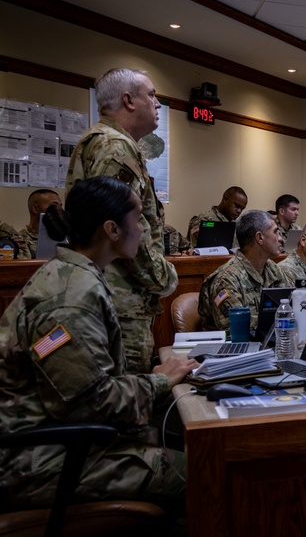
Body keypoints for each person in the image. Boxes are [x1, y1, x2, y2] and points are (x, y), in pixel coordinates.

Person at [0, 176, 198, 514]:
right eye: (138, 221)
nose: (144, 231)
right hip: (35, 460)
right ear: (112, 229)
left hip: (55, 438)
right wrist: (162, 379)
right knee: (203, 474)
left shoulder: (77, 275)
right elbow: (88, 403)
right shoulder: (71, 299)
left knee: (178, 432)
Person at [65, 67, 177, 373]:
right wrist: (161, 278)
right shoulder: (115, 147)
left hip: (111, 290)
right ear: (128, 100)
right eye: (152, 95)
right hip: (120, 296)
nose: (157, 104)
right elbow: (121, 230)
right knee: (127, 397)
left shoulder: (101, 140)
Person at [198, 209, 290, 333]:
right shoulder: (226, 278)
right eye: (276, 232)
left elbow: (291, 306)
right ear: (260, 237)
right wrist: (283, 320)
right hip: (231, 348)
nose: (281, 239)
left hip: (269, 342)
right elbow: (235, 329)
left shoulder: (272, 269)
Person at [18, 189, 62, 258]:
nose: (59, 210)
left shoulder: (62, 237)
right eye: (54, 206)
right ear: (35, 208)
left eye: (60, 206)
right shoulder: (20, 240)